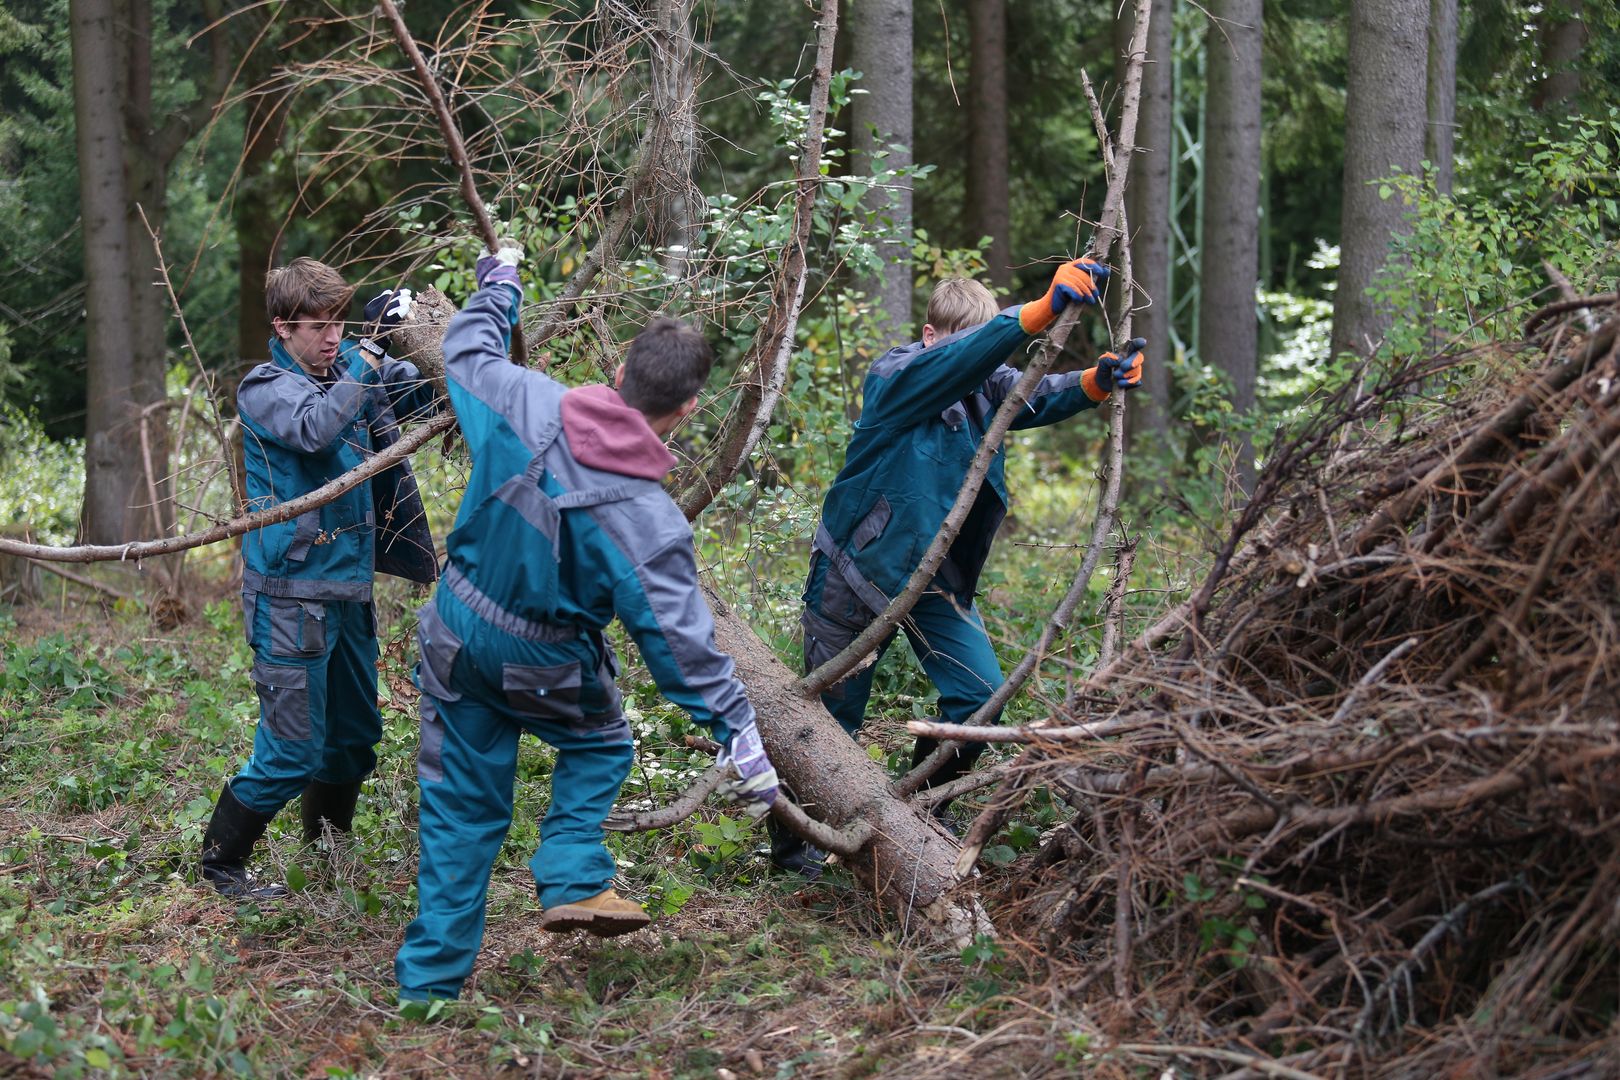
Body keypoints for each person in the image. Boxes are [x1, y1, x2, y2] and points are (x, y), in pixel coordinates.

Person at [394, 246, 778, 1002]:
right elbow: (676, 642)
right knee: (602, 744)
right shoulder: (648, 519)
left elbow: (467, 349)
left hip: (452, 631)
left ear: (620, 372)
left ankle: (426, 994)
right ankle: (570, 871)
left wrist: (498, 287)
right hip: (540, 663)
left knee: (459, 814)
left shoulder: (523, 397)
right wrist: (738, 728)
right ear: (689, 406)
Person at [782, 260, 1145, 874]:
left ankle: (915, 811)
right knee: (830, 722)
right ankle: (796, 852)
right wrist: (1032, 314)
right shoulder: (894, 376)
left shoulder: (988, 386)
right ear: (929, 336)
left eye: (982, 353)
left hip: (936, 582)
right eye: (962, 347)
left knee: (978, 697)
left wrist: (1095, 381)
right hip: (857, 571)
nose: (977, 364)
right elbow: (956, 366)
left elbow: (1034, 395)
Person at [200, 258, 439, 898]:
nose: (332, 336)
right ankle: (221, 864)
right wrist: (365, 358)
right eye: (319, 325)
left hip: (347, 593)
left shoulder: (345, 376)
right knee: (291, 752)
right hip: (289, 599)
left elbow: (411, 401)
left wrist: (410, 342)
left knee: (354, 741)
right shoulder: (265, 389)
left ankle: (325, 858)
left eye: (341, 322)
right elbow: (314, 429)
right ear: (283, 326)